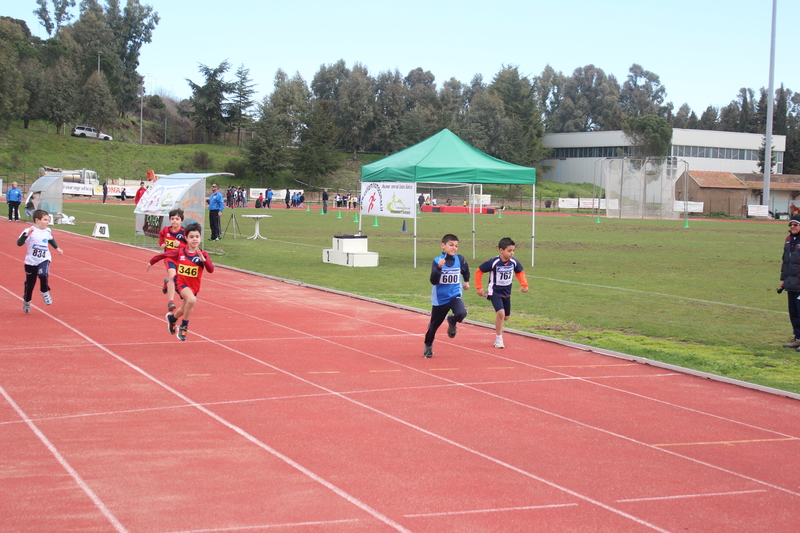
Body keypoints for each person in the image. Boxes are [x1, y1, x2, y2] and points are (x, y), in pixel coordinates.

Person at [147, 222, 214, 341]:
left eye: (197, 237)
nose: (194, 239)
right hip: (181, 283)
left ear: (200, 238)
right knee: (192, 301)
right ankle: (184, 326)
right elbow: (165, 255)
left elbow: (211, 270)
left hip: (194, 287)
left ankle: (172, 319)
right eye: (191, 237)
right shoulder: (181, 252)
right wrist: (151, 261)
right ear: (186, 238)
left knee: (185, 308)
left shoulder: (202, 254)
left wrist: (204, 261)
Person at [475, 237, 529, 349]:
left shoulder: (514, 262)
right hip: (494, 292)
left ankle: (499, 322)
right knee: (501, 313)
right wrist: (479, 287)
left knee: (506, 317)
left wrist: (524, 285)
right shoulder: (494, 262)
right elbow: (479, 271)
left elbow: (520, 272)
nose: (512, 253)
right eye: (509, 251)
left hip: (507, 292)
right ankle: (499, 339)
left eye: (513, 250)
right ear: (501, 250)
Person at [423, 233, 470, 358]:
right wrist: (439, 268)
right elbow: (433, 281)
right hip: (440, 299)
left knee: (461, 313)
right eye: (451, 245)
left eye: (456, 246)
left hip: (454, 295)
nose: (454, 248)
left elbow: (465, 269)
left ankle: (452, 320)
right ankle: (428, 345)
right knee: (433, 327)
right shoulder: (437, 261)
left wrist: (466, 281)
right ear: (443, 246)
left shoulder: (460, 259)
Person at [17, 209, 64, 313]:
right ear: (37, 220)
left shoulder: (47, 231)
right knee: (30, 285)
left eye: (48, 220)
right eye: (45, 220)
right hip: (31, 261)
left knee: (43, 275)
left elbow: (51, 239)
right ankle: (27, 301)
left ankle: (44, 291)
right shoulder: (29, 231)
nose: (47, 222)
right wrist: (27, 235)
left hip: (44, 258)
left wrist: (57, 249)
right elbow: (19, 243)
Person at [158, 208, 186, 312]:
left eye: (177, 219)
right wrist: (161, 244)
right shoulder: (166, 230)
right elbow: (161, 236)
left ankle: (167, 284)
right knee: (172, 275)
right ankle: (171, 302)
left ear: (181, 221)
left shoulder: (184, 232)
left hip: (181, 259)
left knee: (178, 279)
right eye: (172, 219)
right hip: (169, 257)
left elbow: (189, 247)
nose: (174, 221)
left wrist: (180, 245)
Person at [780, 215, 800, 349]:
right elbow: (786, 262)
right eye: (791, 224)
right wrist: (783, 279)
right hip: (791, 282)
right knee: (793, 312)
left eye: (795, 224)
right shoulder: (789, 239)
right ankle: (798, 337)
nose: (792, 227)